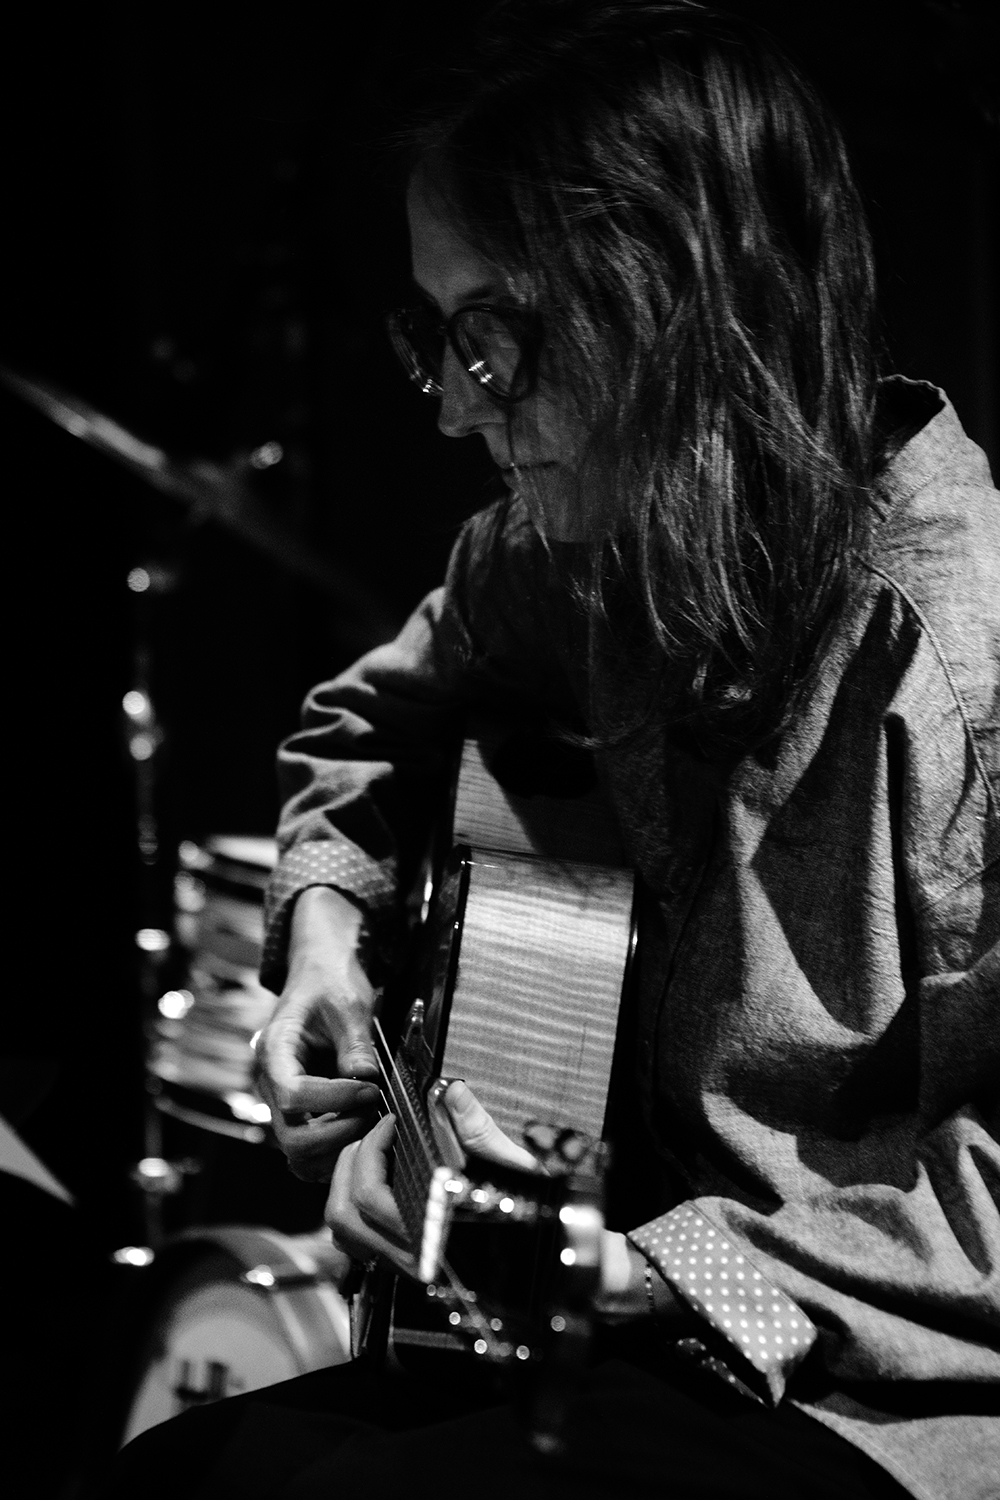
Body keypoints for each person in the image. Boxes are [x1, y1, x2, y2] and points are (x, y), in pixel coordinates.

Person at [98, 3, 999, 1497]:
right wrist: (325, 940)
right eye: (437, 337)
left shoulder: (959, 662)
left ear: (668, 303)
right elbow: (368, 724)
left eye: (493, 336)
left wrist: (650, 1272)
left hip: (879, 1398)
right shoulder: (577, 552)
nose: (456, 407)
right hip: (617, 1334)